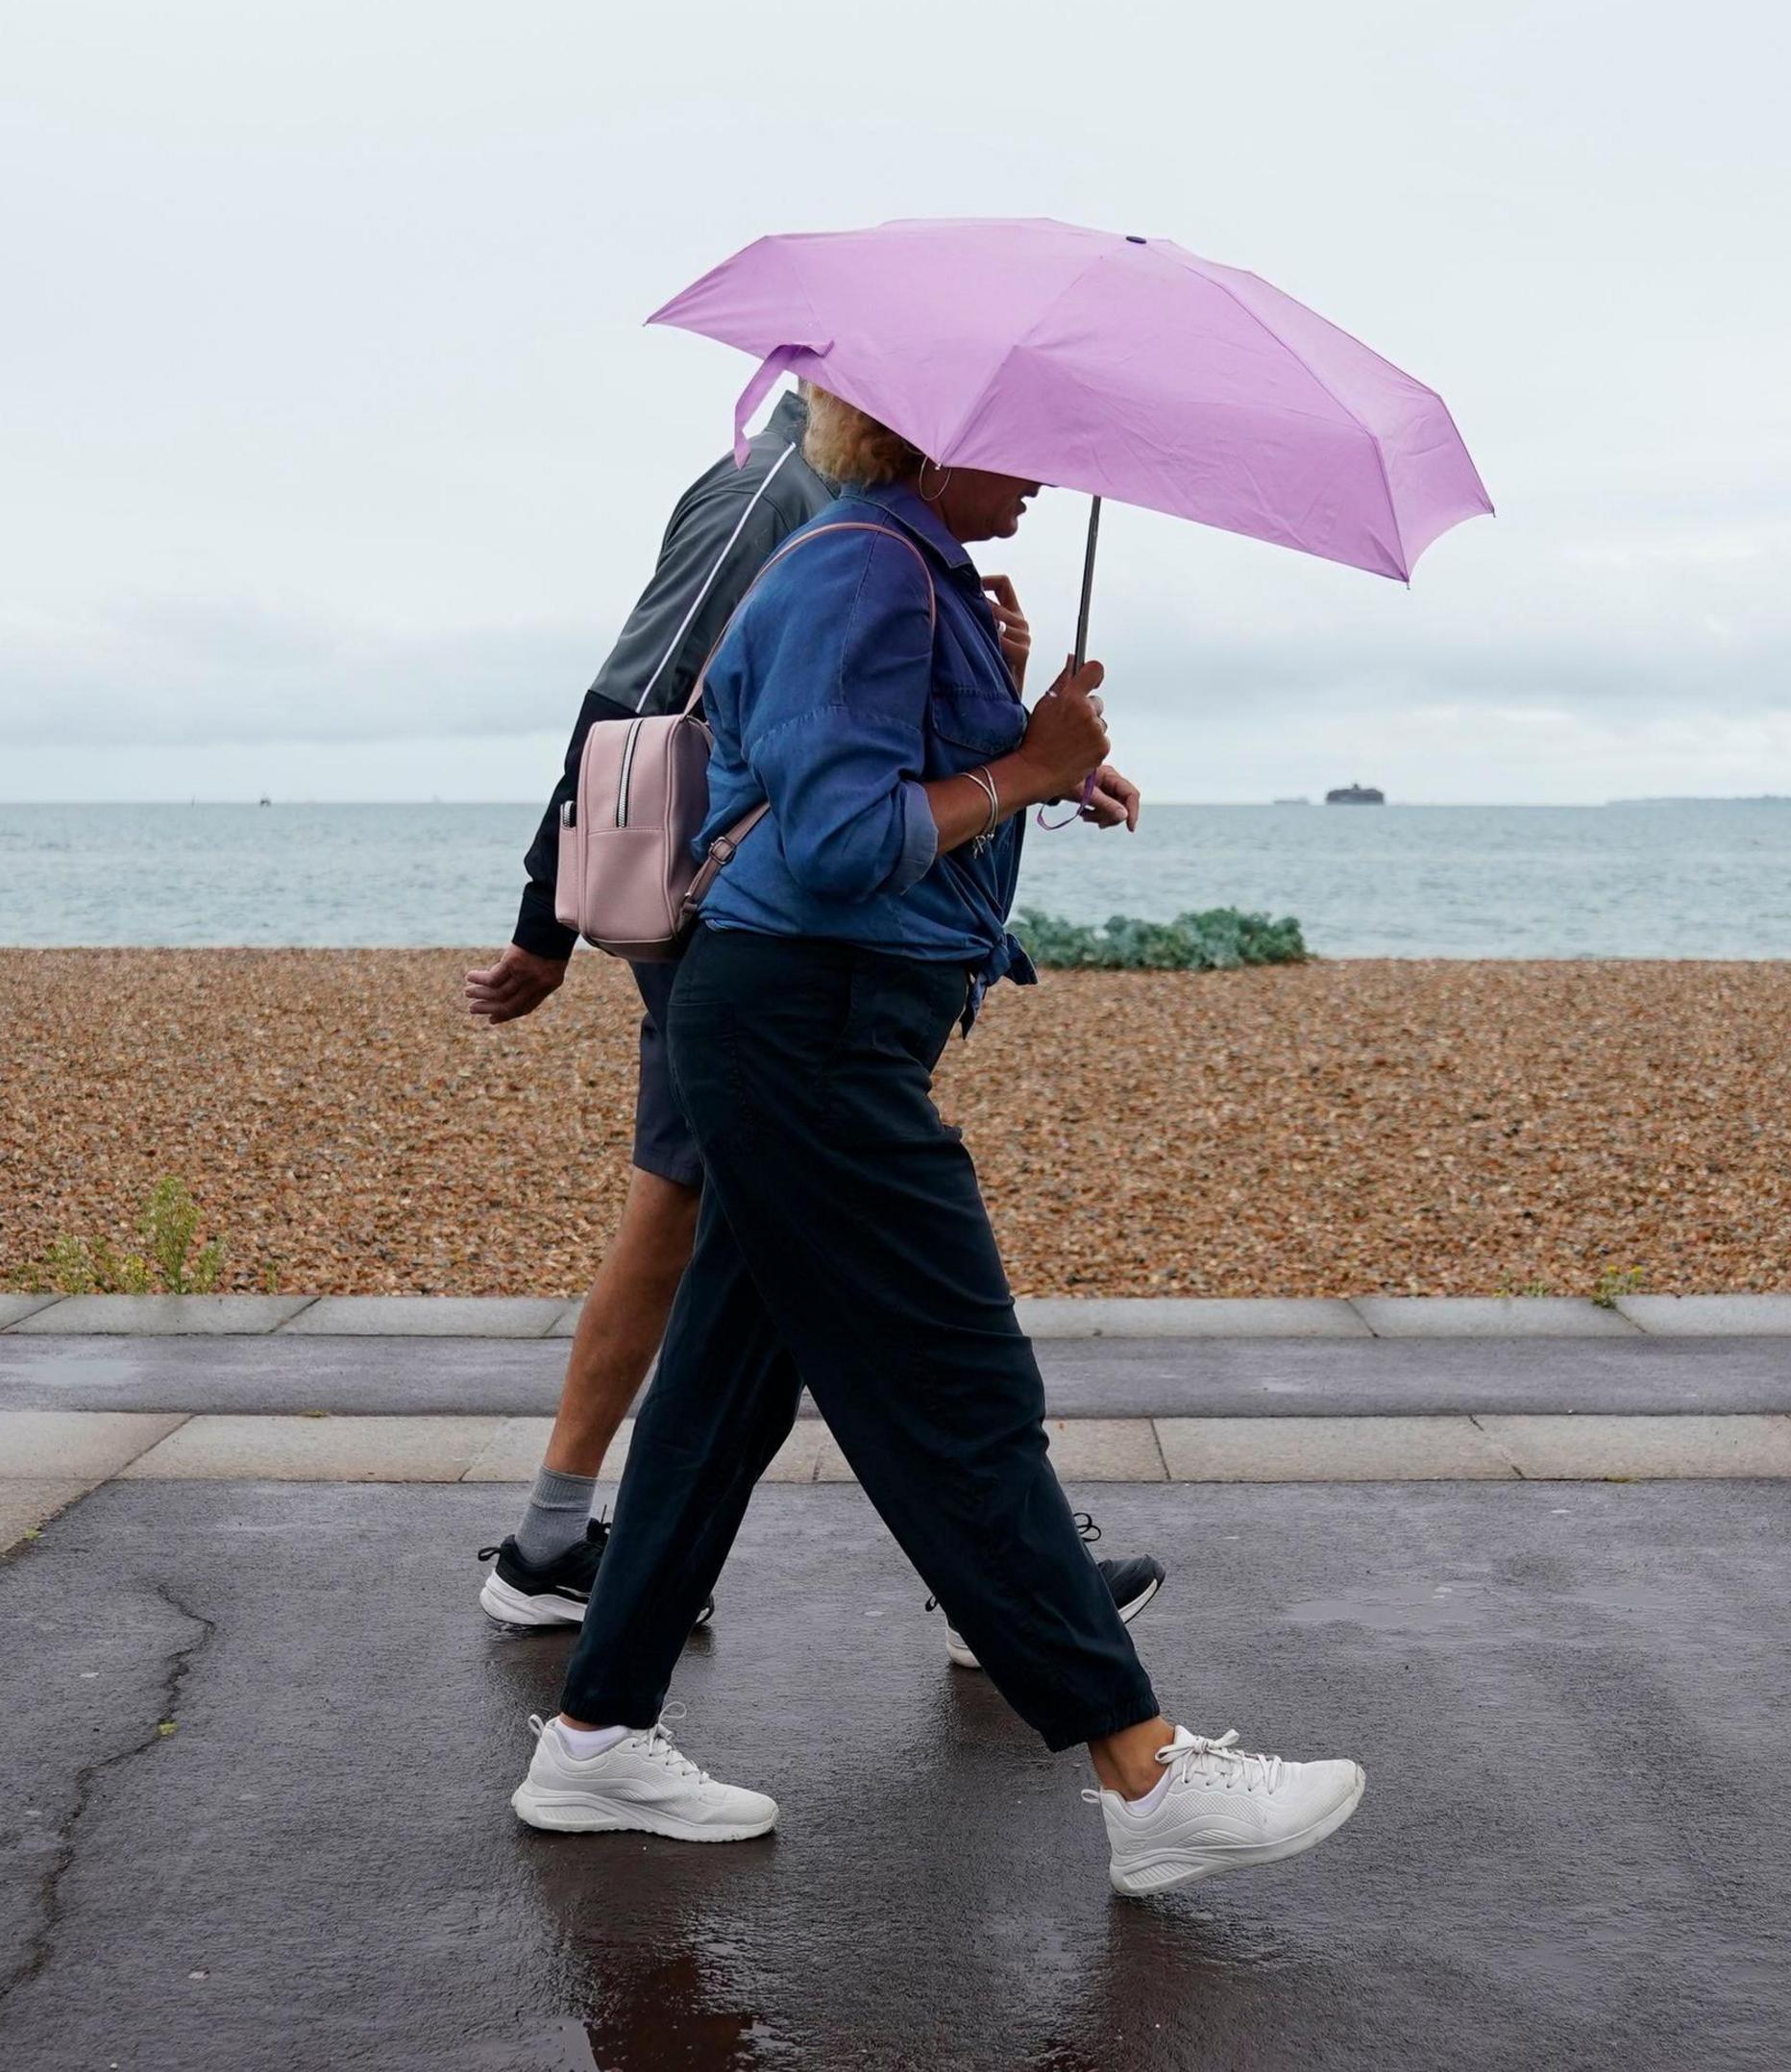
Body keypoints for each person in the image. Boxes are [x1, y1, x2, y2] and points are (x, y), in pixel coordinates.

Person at [506, 388, 1365, 1897]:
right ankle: (1145, 1772)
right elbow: (836, 844)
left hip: (805, 1024)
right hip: (807, 1031)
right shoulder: (859, 570)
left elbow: (865, 781)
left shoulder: (910, 570)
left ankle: (591, 1740)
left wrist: (1047, 767)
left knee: (719, 1396)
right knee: (956, 1384)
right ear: (916, 434)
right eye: (1016, 438)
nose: (1041, 470)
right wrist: (1023, 771)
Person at [460, 390, 1164, 1665]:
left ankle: (594, 1632)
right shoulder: (776, 497)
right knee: (742, 1230)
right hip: (743, 927)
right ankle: (562, 1547)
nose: (1046, 470)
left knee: (743, 1281)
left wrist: (1022, 738)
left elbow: (869, 733)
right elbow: (632, 696)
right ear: (918, 411)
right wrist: (546, 924)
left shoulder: (883, 533)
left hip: (786, 928)